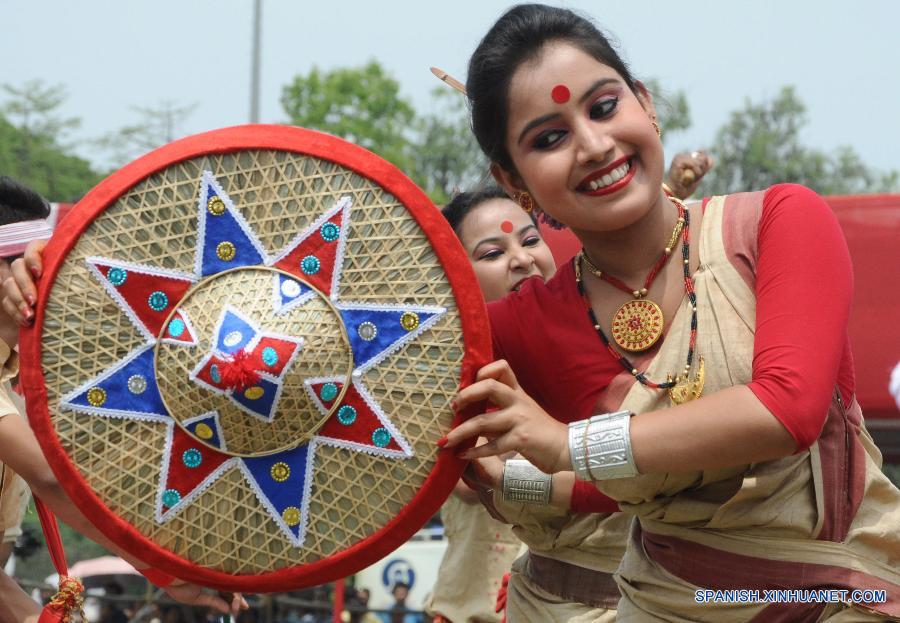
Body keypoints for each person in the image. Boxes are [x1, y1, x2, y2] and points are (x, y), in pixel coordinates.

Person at [436, 4, 900, 621]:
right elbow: (594, 489)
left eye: (604, 107)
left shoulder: (774, 225)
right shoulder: (520, 328)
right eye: (549, 138)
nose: (595, 145)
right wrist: (504, 477)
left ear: (645, 104)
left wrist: (564, 442)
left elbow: (785, 408)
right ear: (513, 179)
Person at [0, 177, 247, 623]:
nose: (51, 286)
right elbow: (51, 479)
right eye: (28, 267)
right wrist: (164, 567)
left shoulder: (18, 376)